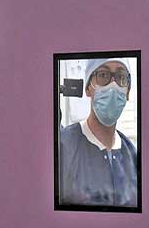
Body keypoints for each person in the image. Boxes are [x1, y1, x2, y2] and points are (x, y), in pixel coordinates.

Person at [59, 58, 138, 207]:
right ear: (88, 88)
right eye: (103, 75)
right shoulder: (62, 146)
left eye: (121, 77)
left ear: (127, 92)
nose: (113, 85)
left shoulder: (134, 158)